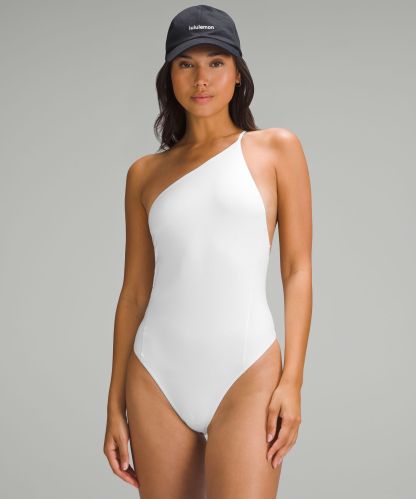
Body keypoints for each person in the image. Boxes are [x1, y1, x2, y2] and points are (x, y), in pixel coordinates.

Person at [103, 4, 312, 498]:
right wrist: (114, 403)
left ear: (238, 74)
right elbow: (134, 292)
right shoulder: (144, 174)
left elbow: (297, 270)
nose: (201, 78)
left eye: (216, 62)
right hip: (155, 374)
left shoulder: (275, 149)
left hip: (247, 370)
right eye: (186, 64)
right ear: (169, 77)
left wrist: (292, 382)